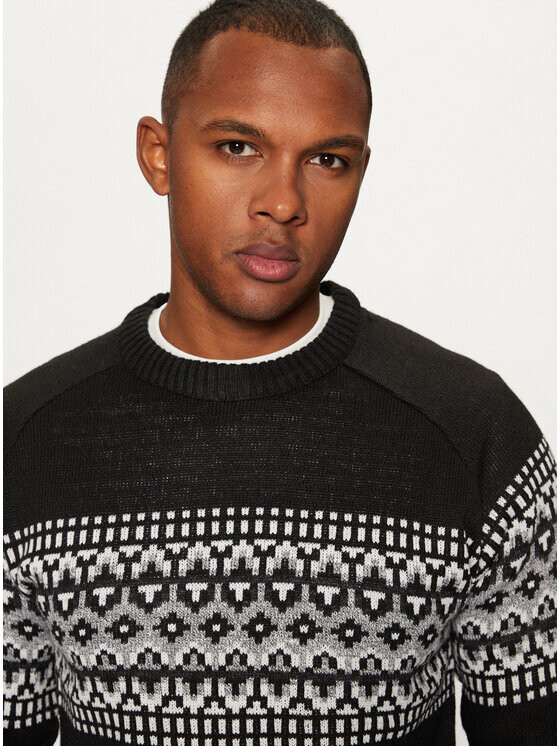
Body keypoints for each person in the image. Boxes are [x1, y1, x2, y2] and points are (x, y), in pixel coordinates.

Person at [3, 0, 556, 744]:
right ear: (158, 156)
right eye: (238, 147)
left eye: (328, 160)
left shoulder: (477, 437)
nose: (284, 203)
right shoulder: (24, 442)